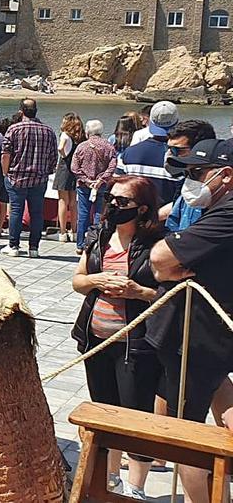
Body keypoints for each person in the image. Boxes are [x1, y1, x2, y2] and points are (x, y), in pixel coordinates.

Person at [70, 175, 164, 500]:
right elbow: (78, 281)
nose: (113, 206)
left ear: (141, 209)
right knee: (104, 412)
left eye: (121, 202)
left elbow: (170, 295)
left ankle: (136, 487)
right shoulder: (99, 236)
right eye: (110, 198)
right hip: (96, 339)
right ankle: (110, 480)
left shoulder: (157, 245)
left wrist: (138, 291)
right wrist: (96, 279)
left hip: (135, 345)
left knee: (135, 416)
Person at [150, 138, 233, 500]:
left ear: (225, 175)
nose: (191, 181)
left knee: (187, 437)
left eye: (198, 173)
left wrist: (173, 265)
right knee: (221, 396)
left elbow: (160, 260)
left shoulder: (227, 213)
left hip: (202, 337)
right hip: (210, 336)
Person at [0, 99, 57, 258]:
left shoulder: (14, 129)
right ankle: (34, 248)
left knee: (16, 211)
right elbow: (53, 157)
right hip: (39, 178)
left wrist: (6, 172)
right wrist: (46, 171)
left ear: (21, 111)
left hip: (16, 177)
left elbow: (6, 154)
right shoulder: (48, 131)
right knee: (37, 213)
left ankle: (14, 246)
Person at [115, 101, 183, 205]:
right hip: (166, 217)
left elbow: (117, 185)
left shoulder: (129, 153)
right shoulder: (180, 157)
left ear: (150, 121)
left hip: (135, 216)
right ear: (177, 122)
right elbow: (182, 198)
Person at [160, 120, 217, 232]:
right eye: (168, 149)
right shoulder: (186, 180)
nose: (170, 155)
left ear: (201, 149)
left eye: (177, 150)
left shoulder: (217, 187)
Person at [71, 119, 118, 253]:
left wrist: (86, 180)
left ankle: (80, 245)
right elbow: (112, 165)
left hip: (84, 186)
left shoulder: (81, 147)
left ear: (87, 132)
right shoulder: (109, 146)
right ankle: (96, 242)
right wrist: (101, 179)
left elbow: (74, 168)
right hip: (101, 185)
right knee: (99, 214)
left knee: (83, 214)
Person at [54, 112, 85, 243]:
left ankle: (62, 232)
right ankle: (74, 231)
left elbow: (61, 147)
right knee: (73, 202)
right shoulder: (80, 137)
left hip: (64, 168)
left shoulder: (65, 135)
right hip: (75, 169)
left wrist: (62, 154)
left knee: (62, 201)